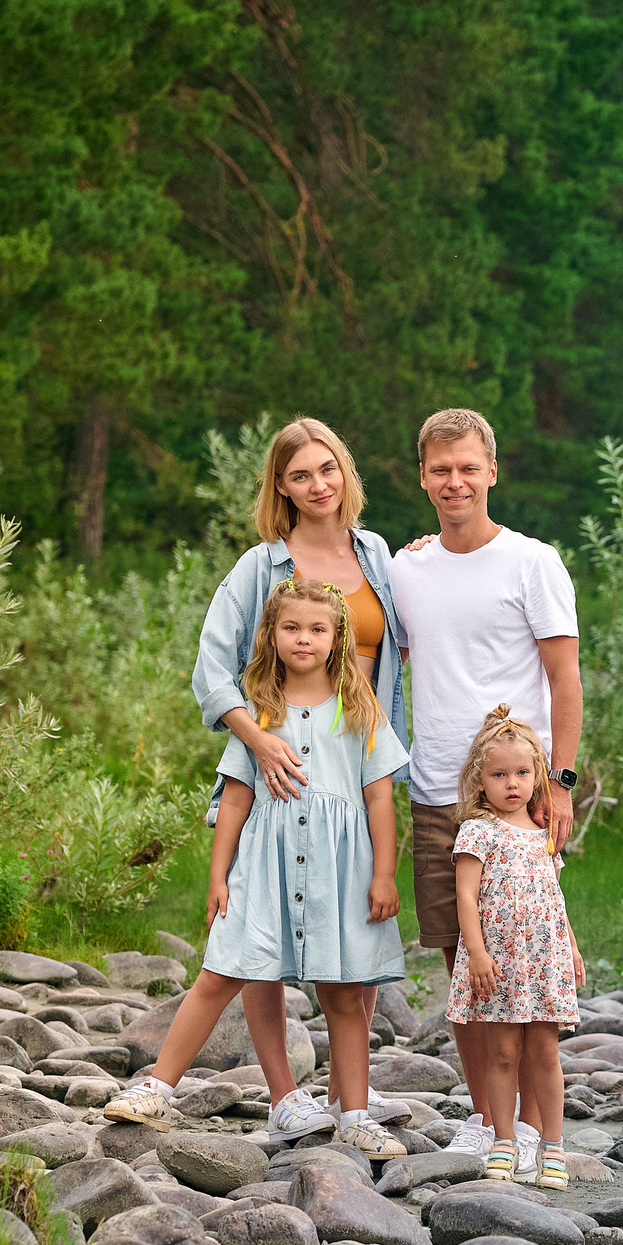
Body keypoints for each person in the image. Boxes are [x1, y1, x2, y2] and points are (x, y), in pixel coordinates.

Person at [110, 580, 410, 1155]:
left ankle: (354, 1115)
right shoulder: (258, 714)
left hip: (340, 873)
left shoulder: (360, 709)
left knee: (344, 992)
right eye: (291, 628)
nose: (304, 639)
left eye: (318, 629)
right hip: (263, 864)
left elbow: (379, 799)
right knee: (221, 972)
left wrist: (384, 874)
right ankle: (156, 1088)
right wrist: (218, 875)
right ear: (271, 635)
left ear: (337, 637)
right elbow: (237, 799)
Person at [189, 418, 409, 1133]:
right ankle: (286, 1095)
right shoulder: (262, 566)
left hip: (352, 755)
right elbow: (211, 670)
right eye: (301, 475)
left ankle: (354, 1096)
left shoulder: (377, 554)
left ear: (346, 472)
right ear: (280, 486)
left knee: (351, 934)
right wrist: (255, 741)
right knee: (260, 931)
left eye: (328, 469)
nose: (319, 485)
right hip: (276, 762)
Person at [390, 409, 583, 1167]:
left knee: (527, 966)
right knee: (460, 956)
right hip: (437, 788)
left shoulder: (533, 562)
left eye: (469, 467)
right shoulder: (408, 569)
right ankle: (486, 1116)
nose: (455, 481)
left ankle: (538, 1128)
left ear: (492, 471)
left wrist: (558, 785)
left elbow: (564, 677)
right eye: (441, 470)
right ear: (423, 477)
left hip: (518, 797)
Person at [447, 706, 583, 1187]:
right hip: (500, 961)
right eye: (499, 774)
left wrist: (571, 945)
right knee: (502, 1052)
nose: (512, 783)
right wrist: (477, 953)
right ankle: (503, 1139)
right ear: (479, 780)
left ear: (537, 777)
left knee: (545, 1052)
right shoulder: (477, 832)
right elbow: (465, 896)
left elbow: (553, 896)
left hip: (543, 959)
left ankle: (554, 1146)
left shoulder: (545, 836)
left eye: (523, 773)